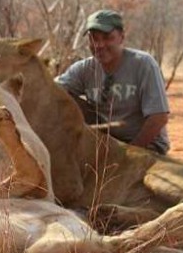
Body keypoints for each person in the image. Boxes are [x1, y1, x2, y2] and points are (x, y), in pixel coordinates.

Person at [56, 9, 171, 154]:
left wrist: (129, 154)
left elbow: (159, 118)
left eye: (107, 38)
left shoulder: (143, 64)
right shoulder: (84, 69)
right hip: (107, 142)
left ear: (121, 38)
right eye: (94, 38)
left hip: (145, 145)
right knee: (61, 98)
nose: (99, 45)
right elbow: (50, 90)